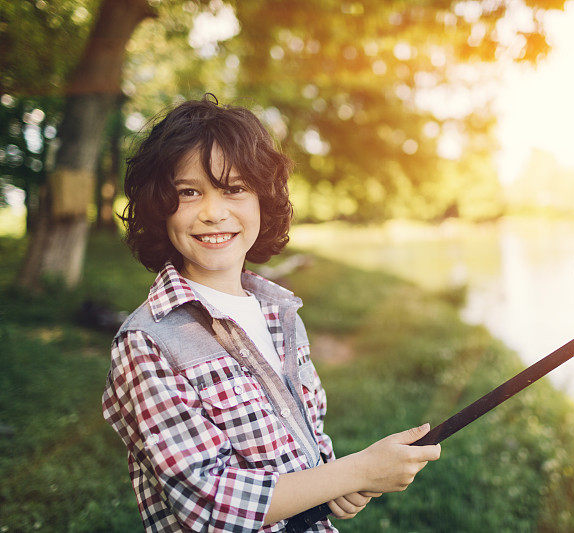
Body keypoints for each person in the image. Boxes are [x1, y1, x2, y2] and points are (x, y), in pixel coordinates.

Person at [101, 93, 441, 532]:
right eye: (189, 193)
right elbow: (208, 506)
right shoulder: (148, 344)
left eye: (234, 189)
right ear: (159, 208)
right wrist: (355, 471)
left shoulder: (281, 314)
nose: (212, 212)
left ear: (263, 200)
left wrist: (339, 484)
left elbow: (308, 444)